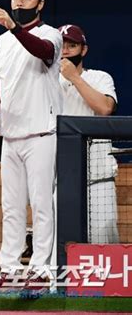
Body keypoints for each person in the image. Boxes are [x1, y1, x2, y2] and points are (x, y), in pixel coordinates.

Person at [0, 0, 62, 294]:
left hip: (42, 131)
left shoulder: (51, 35)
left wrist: (13, 28)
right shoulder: (3, 41)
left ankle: (42, 268)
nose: (19, 3)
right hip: (12, 134)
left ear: (40, 3)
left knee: (42, 204)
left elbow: (41, 51)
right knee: (11, 206)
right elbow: (4, 81)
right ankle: (10, 266)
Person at [58, 24, 119, 244]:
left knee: (103, 240)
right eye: (61, 45)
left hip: (98, 177)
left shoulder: (100, 77)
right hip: (58, 179)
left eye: (71, 45)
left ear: (84, 50)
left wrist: (75, 78)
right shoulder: (44, 82)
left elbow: (105, 109)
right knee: (60, 247)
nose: (65, 51)